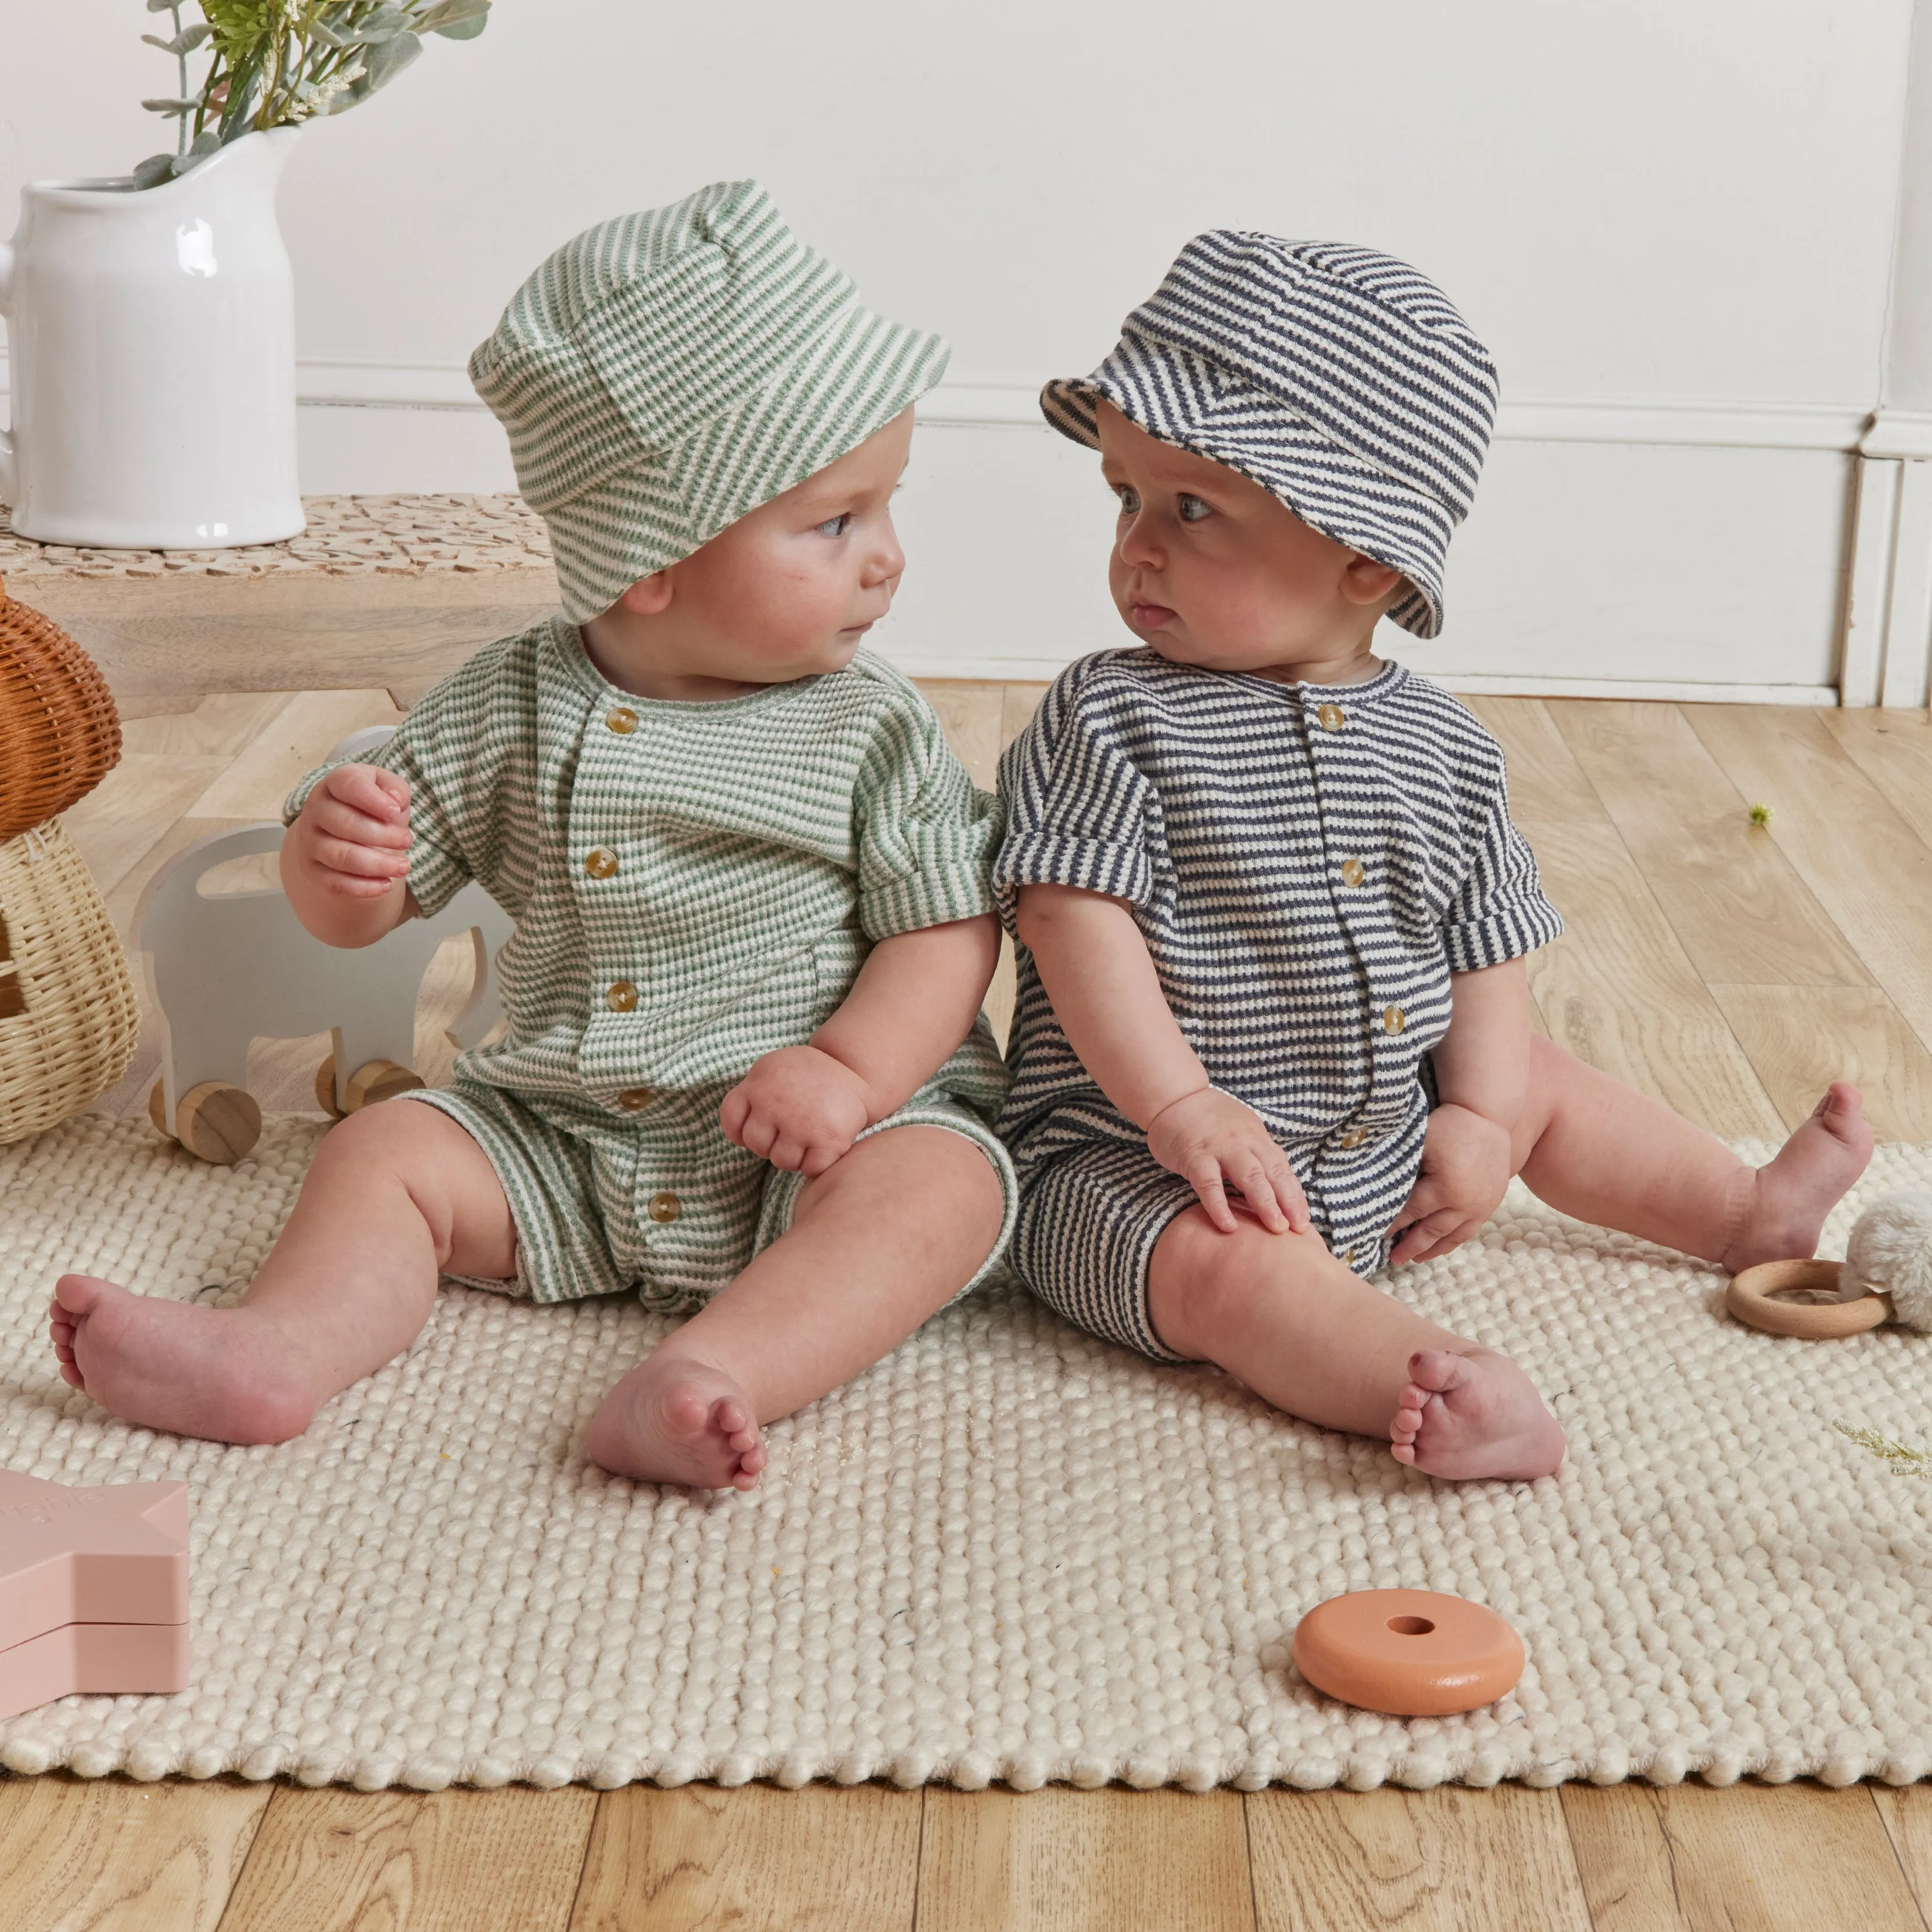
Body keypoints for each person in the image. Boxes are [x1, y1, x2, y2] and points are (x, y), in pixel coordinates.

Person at [50, 181, 1015, 1492]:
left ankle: (718, 1372)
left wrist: (849, 1070)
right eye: (836, 521)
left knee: (944, 1190)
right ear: (649, 559)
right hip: (560, 1136)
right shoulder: (510, 697)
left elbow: (945, 925)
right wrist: (335, 867)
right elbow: (366, 912)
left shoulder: (872, 723)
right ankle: (282, 1345)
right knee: (383, 1150)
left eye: (886, 508)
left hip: (817, 1141)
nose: (885, 559)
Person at [994, 231, 1871, 1480]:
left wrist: (1474, 1111)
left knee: (1535, 1072)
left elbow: (1486, 949)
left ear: (1364, 554)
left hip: (1377, 1131)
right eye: (1125, 495)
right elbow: (1067, 916)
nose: (1137, 543)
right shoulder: (1110, 713)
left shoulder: (1445, 745)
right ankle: (1415, 1374)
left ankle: (1742, 1213)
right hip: (1138, 1160)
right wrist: (1180, 1108)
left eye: (1192, 508)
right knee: (1217, 1269)